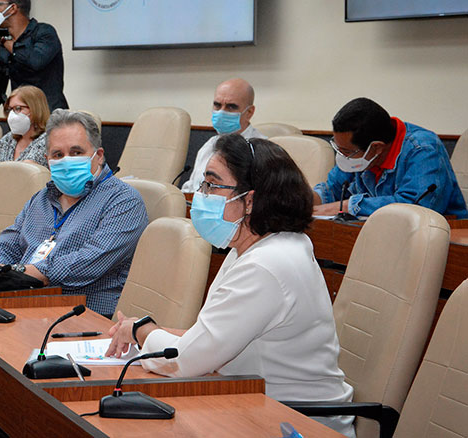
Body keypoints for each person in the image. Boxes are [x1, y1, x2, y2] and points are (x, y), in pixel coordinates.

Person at [106, 134, 354, 437]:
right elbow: (210, 336)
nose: (201, 195)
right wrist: (144, 327)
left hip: (295, 422)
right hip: (252, 403)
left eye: (212, 185)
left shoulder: (266, 264)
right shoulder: (254, 246)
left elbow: (185, 361)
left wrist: (140, 331)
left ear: (250, 200)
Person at [0, 110, 148, 317]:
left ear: (98, 156)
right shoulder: (41, 197)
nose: (66, 161)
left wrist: (18, 273)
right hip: (24, 304)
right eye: (58, 155)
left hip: (83, 317)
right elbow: (11, 242)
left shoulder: (124, 201)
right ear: (47, 160)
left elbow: (87, 262)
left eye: (76, 152)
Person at [313, 97, 467, 218]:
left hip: (440, 240)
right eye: (338, 149)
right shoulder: (362, 152)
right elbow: (333, 188)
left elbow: (415, 207)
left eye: (346, 151)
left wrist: (348, 206)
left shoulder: (423, 149)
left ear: (377, 147)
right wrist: (304, 201)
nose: (342, 156)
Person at [181, 78, 266, 193]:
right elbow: (191, 188)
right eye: (217, 105)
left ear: (249, 112)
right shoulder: (209, 145)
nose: (221, 112)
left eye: (231, 106)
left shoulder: (260, 151)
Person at [0, 85, 50, 179]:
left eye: (18, 109)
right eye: (10, 109)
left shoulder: (46, 141)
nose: (12, 114)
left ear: (35, 109)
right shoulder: (9, 138)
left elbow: (14, 176)